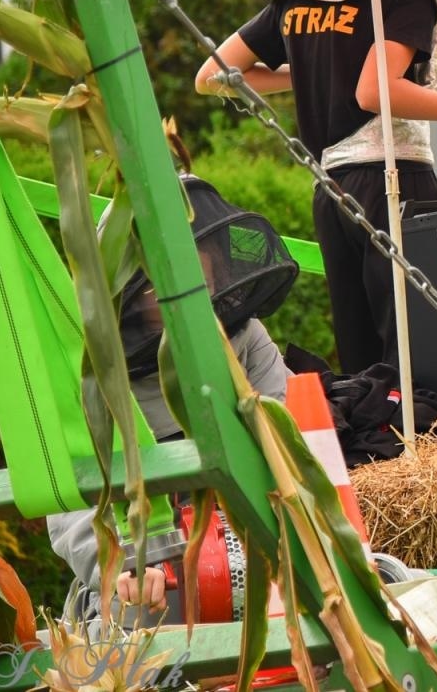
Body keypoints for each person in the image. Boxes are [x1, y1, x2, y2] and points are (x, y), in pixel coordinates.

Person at [197, 0, 437, 374]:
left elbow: (210, 76)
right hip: (394, 179)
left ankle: (376, 437)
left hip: (331, 191)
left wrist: (313, 72)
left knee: (360, 354)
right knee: (420, 345)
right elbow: (373, 91)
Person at [49, 174, 296, 618]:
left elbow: (288, 439)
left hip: (253, 557)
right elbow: (69, 503)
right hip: (143, 582)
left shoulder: (249, 341)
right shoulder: (93, 380)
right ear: (127, 291)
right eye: (162, 287)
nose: (180, 298)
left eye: (195, 280)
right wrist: (121, 564)